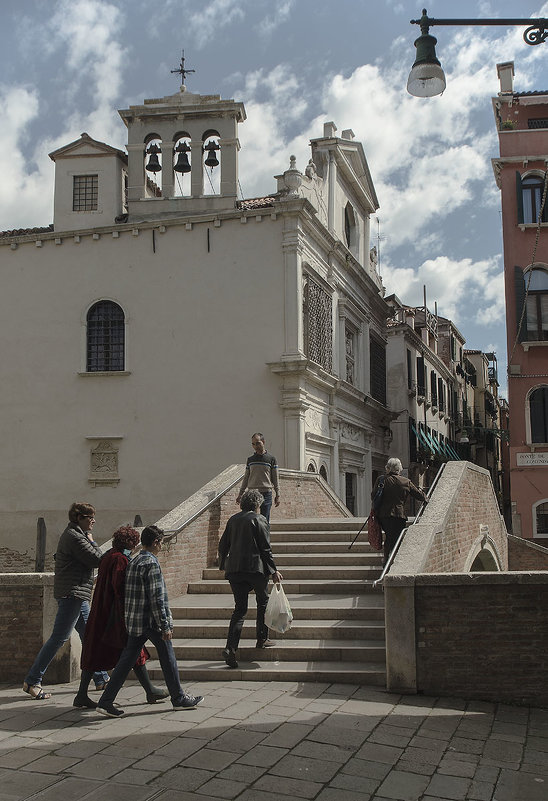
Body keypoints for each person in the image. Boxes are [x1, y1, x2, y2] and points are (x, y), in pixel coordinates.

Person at [96, 525, 203, 717]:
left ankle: (105, 701)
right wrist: (165, 624)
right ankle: (178, 698)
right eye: (161, 543)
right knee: (168, 656)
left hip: (135, 621)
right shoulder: (151, 563)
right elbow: (157, 598)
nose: (161, 546)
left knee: (126, 661)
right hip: (151, 622)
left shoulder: (134, 561)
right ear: (155, 542)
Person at [73, 525, 169, 709]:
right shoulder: (120, 560)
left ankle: (82, 693)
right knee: (134, 651)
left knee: (94, 651)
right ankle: (149, 690)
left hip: (100, 611)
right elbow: (120, 588)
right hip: (114, 614)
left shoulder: (109, 555)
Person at [22, 502, 109, 700]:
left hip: (77, 593)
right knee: (59, 638)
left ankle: (101, 678)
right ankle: (33, 680)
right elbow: (97, 560)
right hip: (72, 593)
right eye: (89, 517)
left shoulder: (77, 535)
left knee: (89, 635)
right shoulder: (75, 537)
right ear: (79, 518)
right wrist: (93, 541)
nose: (93, 520)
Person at [219, 489, 283, 669]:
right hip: (255, 569)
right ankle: (262, 638)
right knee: (263, 602)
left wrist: (223, 563)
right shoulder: (259, 519)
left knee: (239, 610)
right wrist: (273, 571)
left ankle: (231, 648)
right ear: (257, 505)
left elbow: (223, 544)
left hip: (235, 570)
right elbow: (265, 548)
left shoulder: (233, 520)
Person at [372, 458, 426, 566]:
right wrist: (425, 496)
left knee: (388, 536)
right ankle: (395, 560)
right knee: (397, 538)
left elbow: (373, 495)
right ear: (399, 469)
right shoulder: (405, 482)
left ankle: (387, 559)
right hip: (399, 515)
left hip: (383, 515)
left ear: (388, 468)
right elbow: (419, 496)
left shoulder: (381, 480)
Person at [236, 432, 280, 522]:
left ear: (263, 442)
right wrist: (240, 494)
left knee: (265, 520)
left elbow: (275, 478)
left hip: (266, 493)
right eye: (253, 444)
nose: (255, 446)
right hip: (252, 493)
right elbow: (246, 477)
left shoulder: (271, 459)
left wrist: (278, 494)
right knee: (251, 519)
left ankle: (264, 536)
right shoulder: (250, 460)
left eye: (257, 443)